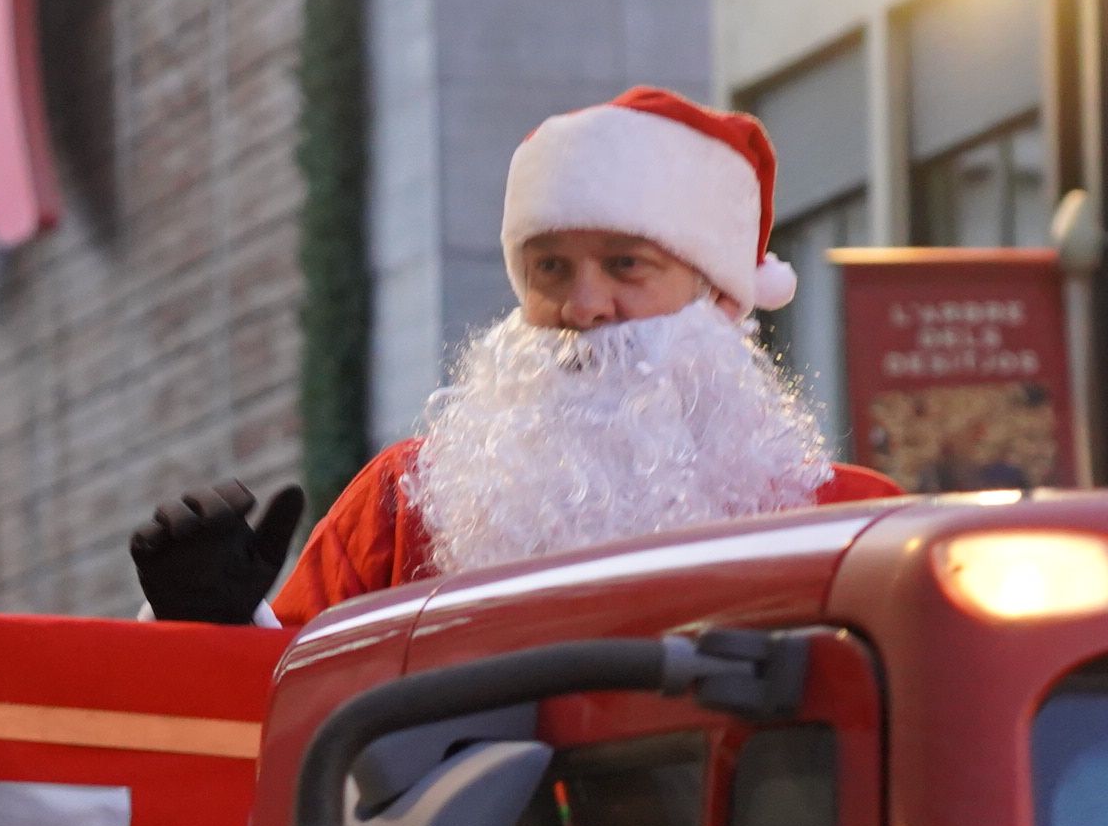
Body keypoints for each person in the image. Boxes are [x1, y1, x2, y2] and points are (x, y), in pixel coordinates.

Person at [131, 88, 896, 628]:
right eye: (550, 269)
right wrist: (215, 623)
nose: (584, 307)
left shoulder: (856, 526)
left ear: (721, 299)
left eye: (626, 264)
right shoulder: (406, 506)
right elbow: (272, 735)